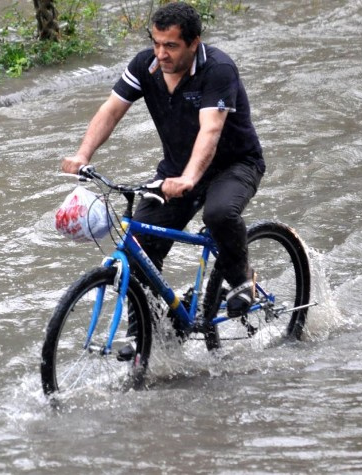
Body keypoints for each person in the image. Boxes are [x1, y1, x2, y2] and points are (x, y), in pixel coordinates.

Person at [61, 2, 265, 322]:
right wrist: (83, 155)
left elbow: (211, 129)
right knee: (139, 250)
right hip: (175, 170)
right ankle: (147, 334)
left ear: (194, 43)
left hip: (235, 165)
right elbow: (111, 110)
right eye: (156, 43)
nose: (161, 53)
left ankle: (242, 281)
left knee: (218, 214)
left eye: (170, 45)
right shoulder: (146, 66)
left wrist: (189, 178)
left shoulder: (218, 69)